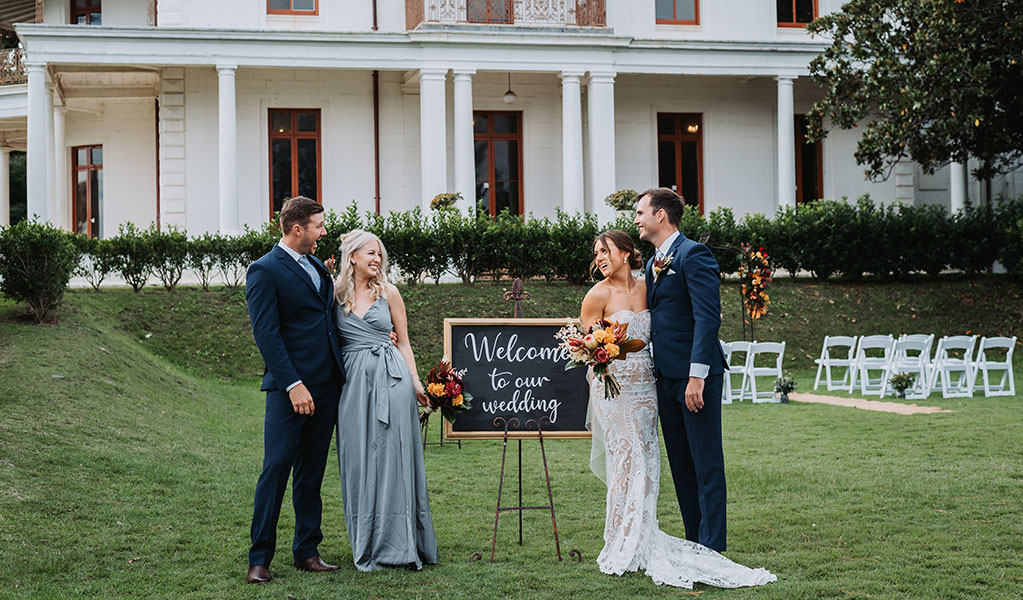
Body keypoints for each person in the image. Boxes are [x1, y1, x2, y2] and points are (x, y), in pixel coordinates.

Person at [581, 228, 775, 589]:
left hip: (649, 386)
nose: (600, 258)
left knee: (651, 461)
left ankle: (651, 534)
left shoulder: (647, 284)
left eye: (604, 251)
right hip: (617, 392)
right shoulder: (596, 295)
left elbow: (682, 319)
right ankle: (623, 540)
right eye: (596, 254)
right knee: (628, 461)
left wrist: (693, 371)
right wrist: (602, 357)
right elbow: (588, 349)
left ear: (625, 252)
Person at [245, 197, 346, 584]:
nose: (324, 232)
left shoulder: (317, 267)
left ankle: (307, 550)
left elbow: (324, 316)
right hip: (291, 390)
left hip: (327, 385)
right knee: (276, 470)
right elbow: (266, 335)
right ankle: (259, 559)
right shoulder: (264, 270)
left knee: (311, 473)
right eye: (319, 226)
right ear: (297, 228)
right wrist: (293, 384)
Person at [332, 229, 439, 571]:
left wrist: (416, 381)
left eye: (379, 254)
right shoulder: (333, 295)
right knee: (358, 460)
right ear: (352, 257)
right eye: (370, 253)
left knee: (395, 459)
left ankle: (401, 544)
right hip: (352, 385)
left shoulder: (390, 293)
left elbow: (404, 342)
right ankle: (367, 540)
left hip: (392, 380)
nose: (377, 259)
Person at [635, 187, 730, 552]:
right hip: (665, 377)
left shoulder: (694, 254)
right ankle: (694, 543)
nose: (636, 219)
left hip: (696, 378)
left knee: (706, 462)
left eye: (641, 212)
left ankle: (712, 547)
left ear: (661, 215)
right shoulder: (652, 262)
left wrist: (697, 375)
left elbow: (707, 319)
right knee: (681, 465)